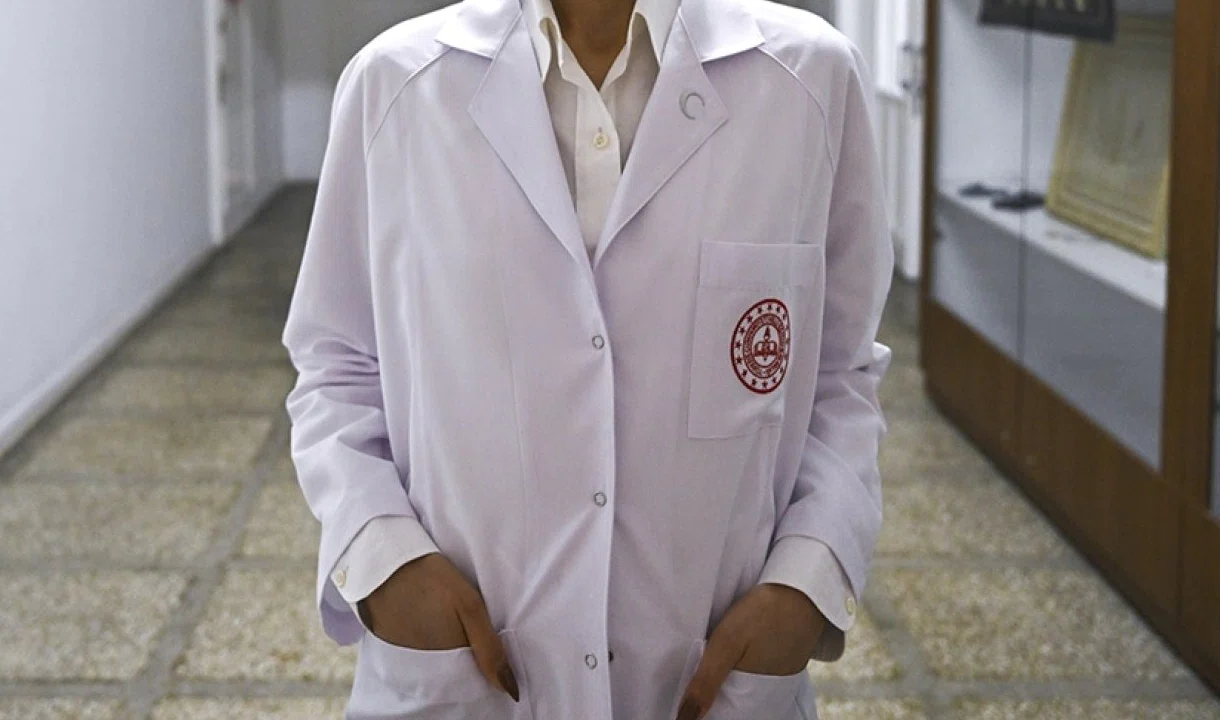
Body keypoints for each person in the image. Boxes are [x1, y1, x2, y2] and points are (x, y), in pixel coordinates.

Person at [282, 0, 892, 714]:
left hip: (712, 667)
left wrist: (809, 578)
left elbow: (839, 371)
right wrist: (382, 555)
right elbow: (337, 361)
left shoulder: (809, 79)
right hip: (461, 674)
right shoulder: (395, 83)